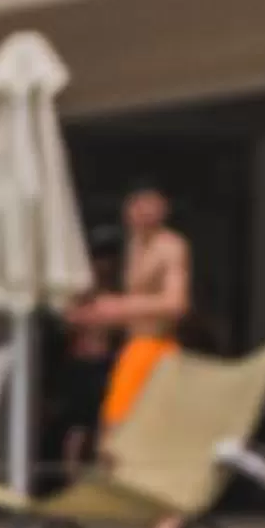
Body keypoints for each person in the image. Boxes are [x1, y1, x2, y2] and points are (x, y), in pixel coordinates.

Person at [66, 185, 192, 440]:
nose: (143, 212)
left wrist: (120, 307)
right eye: (137, 204)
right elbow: (129, 306)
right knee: (111, 430)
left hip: (158, 348)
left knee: (128, 430)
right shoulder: (133, 245)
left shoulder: (171, 246)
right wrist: (92, 315)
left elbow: (177, 303)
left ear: (163, 208)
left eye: (150, 204)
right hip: (134, 346)